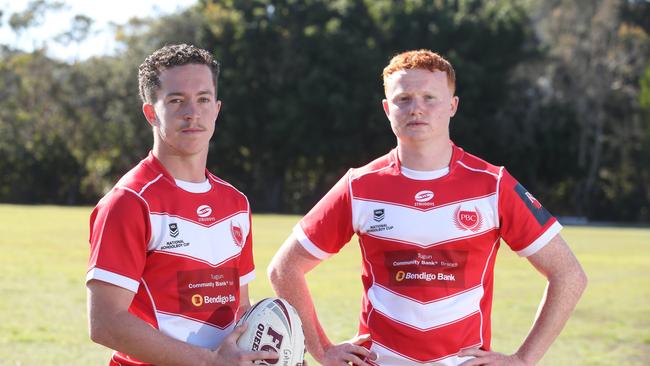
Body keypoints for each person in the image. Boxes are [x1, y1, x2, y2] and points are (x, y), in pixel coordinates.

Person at [268, 49, 588, 366]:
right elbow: (284, 268)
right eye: (403, 99)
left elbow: (569, 275)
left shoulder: (493, 185)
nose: (416, 109)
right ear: (386, 108)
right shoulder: (359, 186)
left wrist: (523, 359)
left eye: (429, 98)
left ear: (452, 105)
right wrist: (322, 349)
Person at [86, 44, 277, 366]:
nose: (193, 112)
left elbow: (239, 309)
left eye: (203, 99)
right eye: (176, 101)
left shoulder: (235, 203)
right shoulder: (129, 202)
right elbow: (106, 322)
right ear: (151, 113)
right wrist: (209, 362)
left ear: (216, 109)